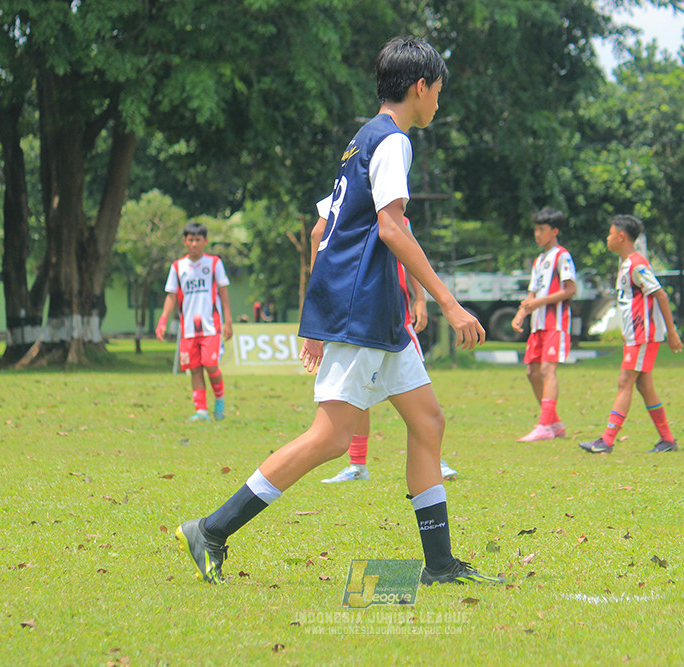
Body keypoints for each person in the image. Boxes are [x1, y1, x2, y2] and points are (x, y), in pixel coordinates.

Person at [174, 36, 501, 586]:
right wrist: (449, 301)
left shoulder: (360, 141)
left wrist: (323, 316)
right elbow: (391, 228)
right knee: (329, 438)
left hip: (373, 312)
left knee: (428, 423)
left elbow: (326, 230)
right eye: (438, 93)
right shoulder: (393, 142)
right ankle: (211, 529)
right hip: (364, 310)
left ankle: (440, 565)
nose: (438, 105)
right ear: (420, 88)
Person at [312, 211, 459, 483]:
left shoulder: (399, 218)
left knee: (411, 393)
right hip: (362, 320)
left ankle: (433, 460)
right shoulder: (349, 212)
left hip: (395, 320)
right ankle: (358, 465)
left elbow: (411, 256)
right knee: (358, 397)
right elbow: (316, 236)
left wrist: (420, 299)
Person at [579, 215, 683, 454]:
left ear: (621, 237)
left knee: (625, 382)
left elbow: (661, 295)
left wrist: (672, 333)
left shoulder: (637, 264)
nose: (608, 238)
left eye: (610, 233)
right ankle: (667, 439)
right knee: (644, 386)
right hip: (635, 336)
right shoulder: (626, 264)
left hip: (643, 335)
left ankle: (606, 441)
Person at [156, 222, 234, 422]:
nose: (194, 244)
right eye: (190, 240)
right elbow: (171, 296)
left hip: (211, 326)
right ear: (184, 241)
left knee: (210, 364)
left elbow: (224, 294)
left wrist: (228, 321)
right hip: (188, 329)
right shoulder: (178, 267)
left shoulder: (214, 263)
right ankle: (201, 411)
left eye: (198, 240)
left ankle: (219, 400)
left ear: (205, 241)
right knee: (195, 369)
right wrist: (163, 321)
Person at [511, 207, 577, 442]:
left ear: (554, 231)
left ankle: (544, 425)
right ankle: (554, 423)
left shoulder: (562, 256)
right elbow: (532, 293)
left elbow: (570, 289)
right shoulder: (539, 261)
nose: (537, 234)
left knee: (548, 371)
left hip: (556, 324)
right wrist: (521, 314)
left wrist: (539, 302)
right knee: (532, 372)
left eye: (542, 230)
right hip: (538, 325)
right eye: (536, 229)